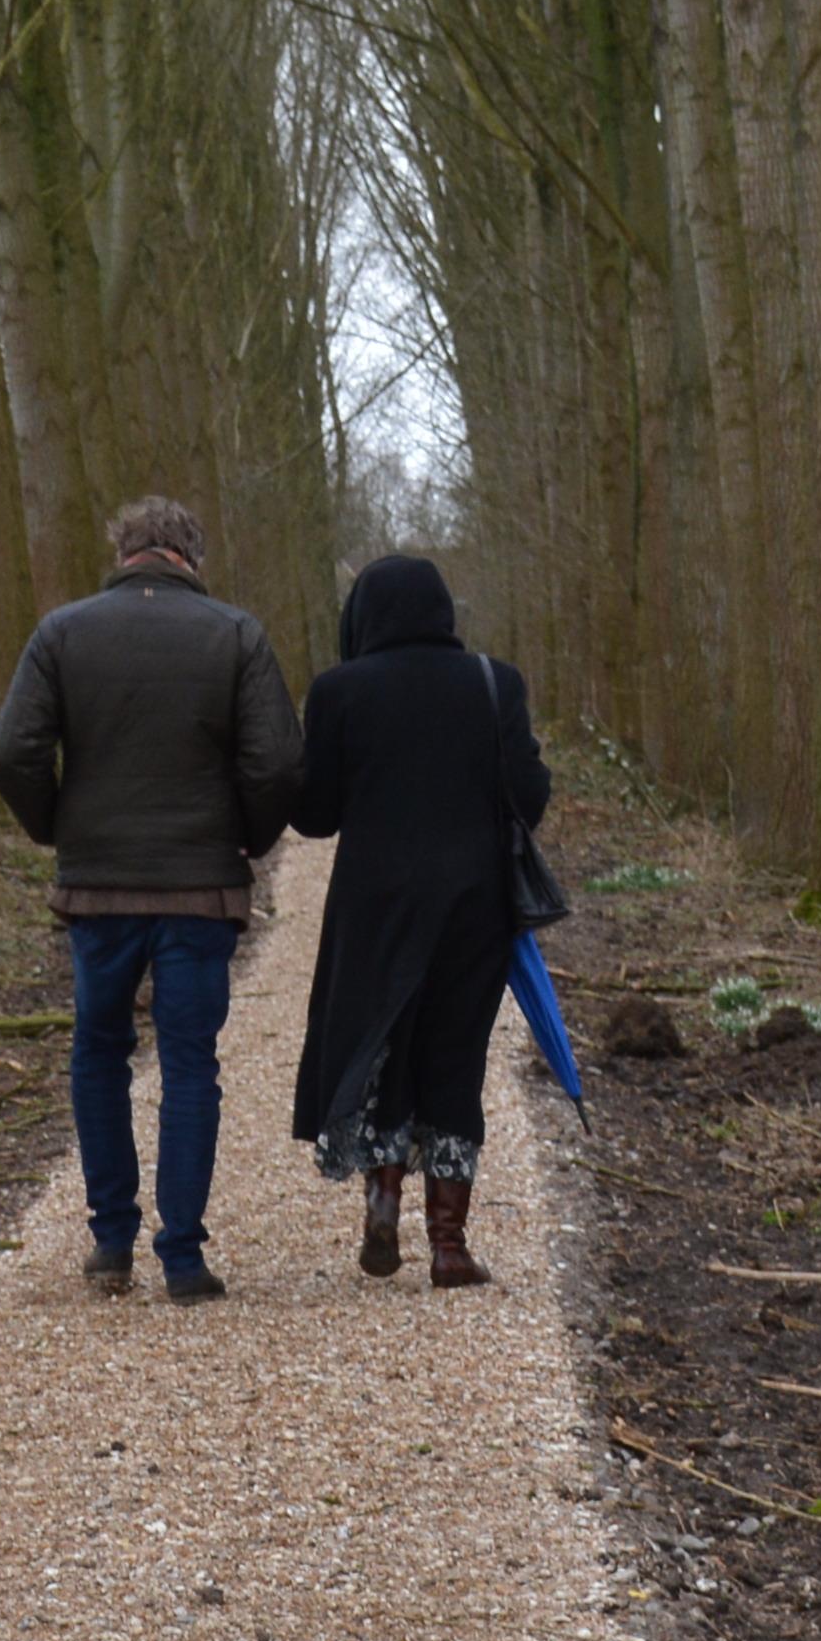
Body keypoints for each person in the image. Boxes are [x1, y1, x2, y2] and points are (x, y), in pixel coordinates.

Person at [0, 493, 303, 1301]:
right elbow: (276, 766)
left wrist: (58, 828)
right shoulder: (236, 634)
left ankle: (111, 1241)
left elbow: (12, 749)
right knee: (190, 1061)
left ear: (123, 552)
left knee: (99, 1052)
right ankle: (184, 1256)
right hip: (201, 889)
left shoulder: (62, 631)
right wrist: (248, 843)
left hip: (98, 890)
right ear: (192, 557)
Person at [284, 552, 554, 1288]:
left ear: (363, 616)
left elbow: (313, 817)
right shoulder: (494, 683)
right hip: (475, 900)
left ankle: (382, 1197)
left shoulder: (339, 691)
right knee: (454, 1053)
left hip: (375, 902)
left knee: (382, 1039)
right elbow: (528, 794)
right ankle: (448, 1245)